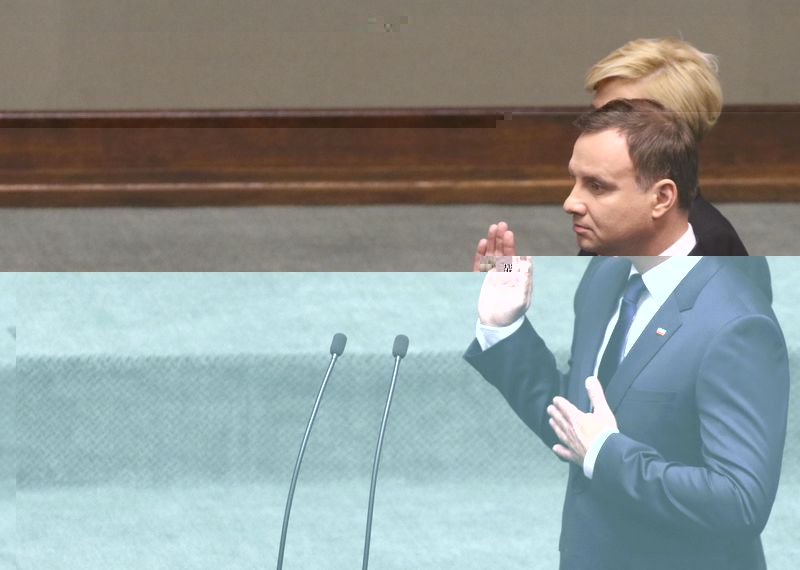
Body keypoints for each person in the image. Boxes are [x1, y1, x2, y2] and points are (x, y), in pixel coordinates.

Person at [464, 255, 789, 569]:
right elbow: (582, 424)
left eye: (599, 193)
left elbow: (739, 502)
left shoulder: (738, 309)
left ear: (662, 198)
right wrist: (504, 328)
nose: (572, 203)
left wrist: (605, 453)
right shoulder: (605, 273)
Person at [472, 38, 747, 267]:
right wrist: (501, 279)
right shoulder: (621, 226)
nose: (569, 204)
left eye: (619, 115)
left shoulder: (713, 249)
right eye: (598, 113)